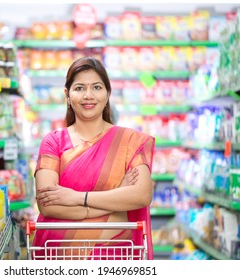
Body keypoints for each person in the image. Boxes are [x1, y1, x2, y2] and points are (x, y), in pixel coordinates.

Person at [33, 57, 155, 260]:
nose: (88, 96)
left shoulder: (129, 141)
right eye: (79, 88)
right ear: (67, 94)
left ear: (107, 94)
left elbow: (141, 195)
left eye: (97, 87)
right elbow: (48, 205)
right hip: (59, 255)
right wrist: (116, 198)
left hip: (114, 254)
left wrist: (78, 198)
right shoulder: (53, 142)